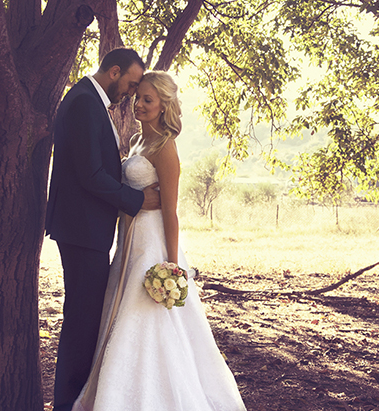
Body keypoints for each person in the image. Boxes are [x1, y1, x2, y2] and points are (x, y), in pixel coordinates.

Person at [73, 71, 246, 411]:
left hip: (152, 243)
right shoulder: (139, 141)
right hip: (129, 241)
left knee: (145, 315)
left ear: (164, 106)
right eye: (139, 98)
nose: (139, 104)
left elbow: (171, 211)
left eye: (148, 100)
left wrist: (172, 264)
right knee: (121, 308)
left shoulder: (166, 148)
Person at [46, 48, 162, 411]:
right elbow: (90, 174)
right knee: (81, 322)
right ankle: (68, 403)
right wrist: (135, 200)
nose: (130, 93)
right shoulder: (83, 103)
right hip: (81, 230)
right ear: (114, 72)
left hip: (87, 229)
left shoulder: (90, 102)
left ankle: (77, 397)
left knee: (85, 318)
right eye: (129, 84)